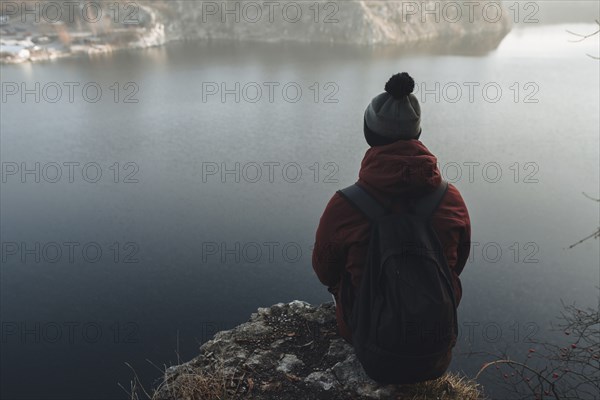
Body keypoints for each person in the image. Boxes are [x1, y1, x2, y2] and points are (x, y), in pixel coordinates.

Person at [312, 72, 471, 344]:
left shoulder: (346, 206)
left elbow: (324, 270)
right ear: (417, 133)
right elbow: (458, 263)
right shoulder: (451, 200)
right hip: (435, 341)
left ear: (369, 134)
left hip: (369, 338)